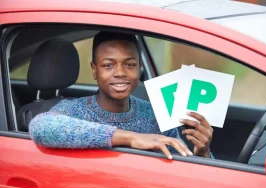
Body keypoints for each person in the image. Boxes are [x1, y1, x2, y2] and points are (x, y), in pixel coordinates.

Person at [29, 31, 214, 159]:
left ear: (139, 67)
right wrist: (131, 137)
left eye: (130, 64)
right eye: (108, 65)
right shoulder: (74, 110)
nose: (120, 73)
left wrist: (202, 153)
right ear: (94, 70)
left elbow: (183, 169)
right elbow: (40, 127)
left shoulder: (157, 114)